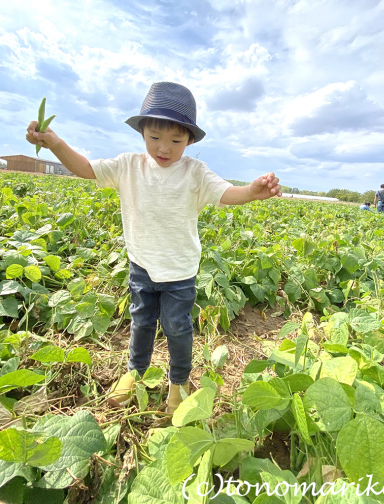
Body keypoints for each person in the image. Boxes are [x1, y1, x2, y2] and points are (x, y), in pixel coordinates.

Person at [26, 81, 281, 414]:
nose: (164, 148)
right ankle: (135, 373)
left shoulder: (195, 173)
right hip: (141, 266)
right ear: (142, 132)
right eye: (155, 137)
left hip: (179, 272)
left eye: (176, 140)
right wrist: (55, 143)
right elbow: (85, 169)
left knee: (177, 328)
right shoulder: (129, 166)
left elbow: (225, 193)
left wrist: (251, 191)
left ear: (189, 139)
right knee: (141, 323)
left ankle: (178, 382)